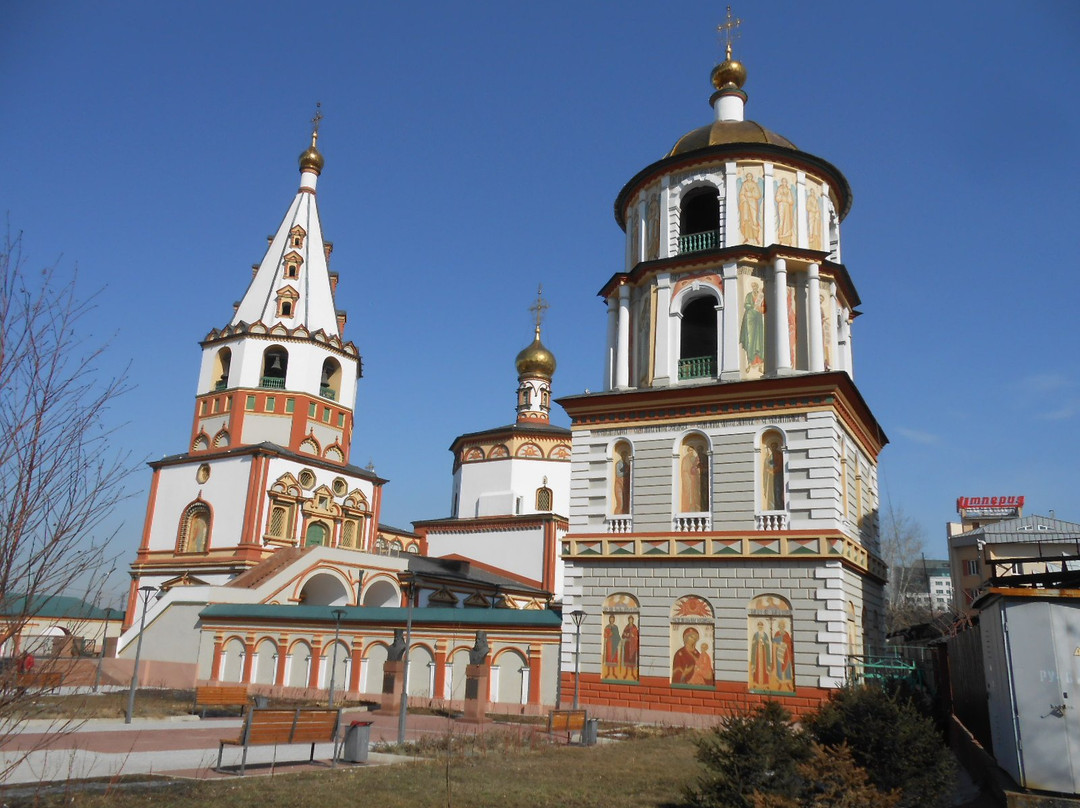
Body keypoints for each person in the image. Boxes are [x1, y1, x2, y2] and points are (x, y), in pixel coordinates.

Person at [740, 282, 765, 371]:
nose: (754, 287)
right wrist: (752, 306)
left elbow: (764, 307)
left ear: (757, 287)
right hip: (750, 318)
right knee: (750, 340)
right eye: (752, 286)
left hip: (758, 318)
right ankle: (750, 363)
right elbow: (746, 304)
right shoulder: (749, 295)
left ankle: (761, 364)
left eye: (755, 286)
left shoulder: (761, 295)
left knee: (759, 340)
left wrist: (761, 308)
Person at [738, 172, 762, 244]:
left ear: (752, 177)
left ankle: (756, 237)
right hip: (745, 203)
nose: (749, 178)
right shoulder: (744, 184)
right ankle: (746, 237)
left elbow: (758, 195)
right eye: (747, 176)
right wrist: (744, 199)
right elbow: (741, 194)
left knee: (754, 219)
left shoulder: (754, 184)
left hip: (753, 203)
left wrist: (751, 194)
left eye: (750, 176)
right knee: (746, 220)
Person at [749, 621, 772, 688]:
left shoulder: (765, 635)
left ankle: (765, 683)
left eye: (761, 626)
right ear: (757, 627)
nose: (760, 627)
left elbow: (767, 645)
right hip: (757, 654)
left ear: (763, 627)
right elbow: (753, 644)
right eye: (759, 626)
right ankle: (756, 682)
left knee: (764, 667)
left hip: (764, 654)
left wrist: (763, 643)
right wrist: (757, 642)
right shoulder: (755, 635)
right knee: (757, 667)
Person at [773, 620, 794, 688]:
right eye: (780, 626)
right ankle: (780, 682)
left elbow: (790, 643)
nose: (781, 627)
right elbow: (774, 643)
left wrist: (786, 645)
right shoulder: (777, 634)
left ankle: (788, 682)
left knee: (787, 666)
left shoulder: (786, 634)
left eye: (783, 626)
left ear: (784, 626)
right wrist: (778, 646)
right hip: (779, 653)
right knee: (779, 667)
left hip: (786, 653)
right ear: (779, 626)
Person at [776, 177, 795, 244]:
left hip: (787, 206)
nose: (784, 183)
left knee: (787, 222)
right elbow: (777, 198)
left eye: (785, 182)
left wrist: (787, 199)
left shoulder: (788, 190)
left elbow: (791, 201)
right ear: (782, 182)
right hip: (781, 205)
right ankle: (780, 238)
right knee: (782, 221)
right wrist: (782, 197)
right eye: (783, 181)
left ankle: (788, 239)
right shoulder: (779, 189)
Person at [603, 614, 621, 679]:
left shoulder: (616, 627)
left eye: (612, 619)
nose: (611, 620)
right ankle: (607, 673)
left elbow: (618, 636)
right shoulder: (607, 626)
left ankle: (613, 673)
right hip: (609, 644)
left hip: (614, 644)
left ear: (614, 620)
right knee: (609, 658)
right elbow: (605, 635)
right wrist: (608, 636)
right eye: (610, 619)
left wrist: (614, 636)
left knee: (613, 659)